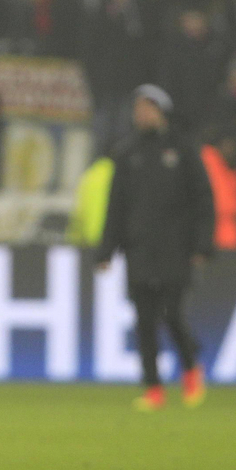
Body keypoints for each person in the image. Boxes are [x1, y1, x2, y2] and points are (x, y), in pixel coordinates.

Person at [95, 85, 212, 412]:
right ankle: (154, 388)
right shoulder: (127, 153)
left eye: (148, 108)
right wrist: (106, 251)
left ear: (162, 111)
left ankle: (190, 367)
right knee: (144, 320)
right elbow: (115, 207)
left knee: (172, 313)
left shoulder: (183, 150)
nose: (141, 114)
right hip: (140, 249)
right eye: (138, 109)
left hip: (175, 248)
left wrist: (202, 244)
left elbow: (203, 199)